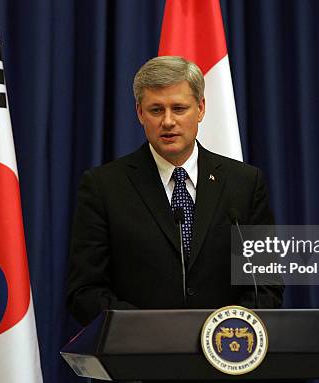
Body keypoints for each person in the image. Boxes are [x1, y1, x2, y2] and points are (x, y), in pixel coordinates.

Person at [67, 56, 283, 326]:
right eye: (156, 110)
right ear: (139, 113)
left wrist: (223, 330)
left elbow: (265, 282)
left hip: (227, 353)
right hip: (139, 358)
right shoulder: (104, 186)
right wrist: (155, 331)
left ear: (201, 109)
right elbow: (85, 292)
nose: (168, 121)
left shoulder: (244, 183)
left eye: (179, 108)